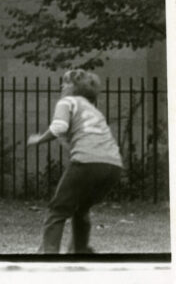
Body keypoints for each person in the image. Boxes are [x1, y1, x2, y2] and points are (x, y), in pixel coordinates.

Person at [28, 69, 123, 254]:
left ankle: (48, 255)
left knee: (58, 209)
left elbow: (59, 127)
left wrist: (39, 139)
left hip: (87, 162)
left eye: (65, 83)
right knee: (81, 208)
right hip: (113, 165)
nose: (62, 86)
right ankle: (80, 251)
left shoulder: (67, 101)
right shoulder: (93, 109)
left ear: (75, 87)